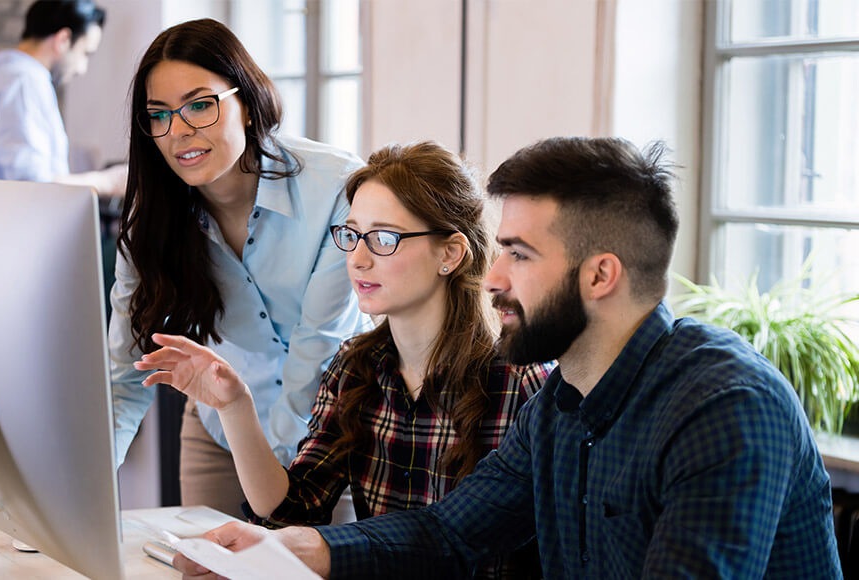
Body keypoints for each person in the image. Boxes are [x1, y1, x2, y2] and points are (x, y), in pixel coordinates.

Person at [175, 137, 842, 579]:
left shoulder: (723, 406)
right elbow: (449, 534)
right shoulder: (563, 404)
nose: (491, 278)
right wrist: (289, 547)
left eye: (518, 255)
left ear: (599, 275)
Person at [137, 141, 553, 577]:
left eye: (384, 238)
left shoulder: (519, 383)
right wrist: (234, 405)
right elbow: (292, 509)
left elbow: (488, 544)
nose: (357, 258)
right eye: (351, 234)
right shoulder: (357, 367)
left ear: (449, 253)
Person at [109, 19, 369, 518]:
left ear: (246, 103)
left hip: (329, 436)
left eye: (200, 105)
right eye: (158, 115)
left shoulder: (336, 187)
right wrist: (82, 494)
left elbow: (317, 353)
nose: (178, 131)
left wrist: (270, 492)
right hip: (219, 428)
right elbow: (124, 375)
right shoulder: (154, 225)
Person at [0, 0, 123, 192]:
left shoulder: (0, 79)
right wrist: (107, 182)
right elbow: (34, 185)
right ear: (63, 40)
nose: (82, 69)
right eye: (85, 53)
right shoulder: (24, 84)